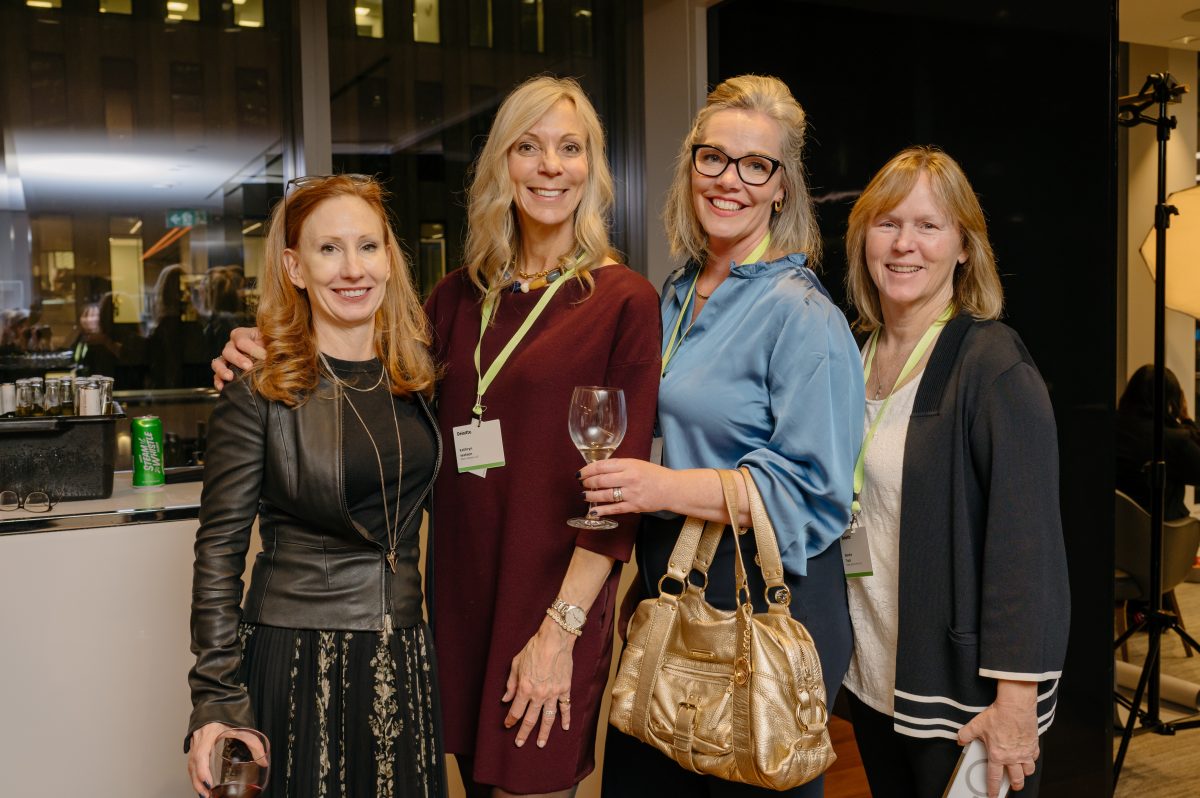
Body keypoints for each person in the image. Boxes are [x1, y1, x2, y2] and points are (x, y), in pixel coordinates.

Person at [211, 76, 662, 798]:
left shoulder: (624, 301)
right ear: (502, 164)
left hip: (552, 603)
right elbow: (358, 352)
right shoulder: (456, 296)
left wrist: (561, 631)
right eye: (529, 147)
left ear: (593, 167)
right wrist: (260, 344)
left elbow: (619, 494)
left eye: (570, 148)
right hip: (452, 605)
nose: (551, 166)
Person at [579, 74, 864, 798]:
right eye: (713, 158)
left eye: (755, 165)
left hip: (763, 601)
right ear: (691, 167)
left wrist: (660, 487)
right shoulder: (678, 292)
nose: (729, 179)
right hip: (677, 584)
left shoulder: (803, 315)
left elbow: (814, 492)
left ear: (782, 188)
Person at [186, 174, 446, 798]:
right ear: (294, 267)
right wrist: (216, 699)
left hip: (403, 653)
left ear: (389, 259)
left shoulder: (416, 377)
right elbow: (218, 553)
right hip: (300, 657)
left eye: (368, 246)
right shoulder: (257, 388)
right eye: (329, 249)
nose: (353, 268)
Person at [839, 145, 1069, 798]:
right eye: (887, 223)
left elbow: (1029, 549)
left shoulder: (991, 363)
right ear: (863, 238)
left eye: (928, 225)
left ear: (964, 246)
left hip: (962, 701)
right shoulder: (855, 353)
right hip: (875, 679)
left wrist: (1016, 706)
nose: (903, 244)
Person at [1117, 363, 1200, 521]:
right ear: (1172, 401)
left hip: (1117, 527)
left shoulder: (1111, 429)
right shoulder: (1172, 440)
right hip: (1163, 529)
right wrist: (1186, 419)